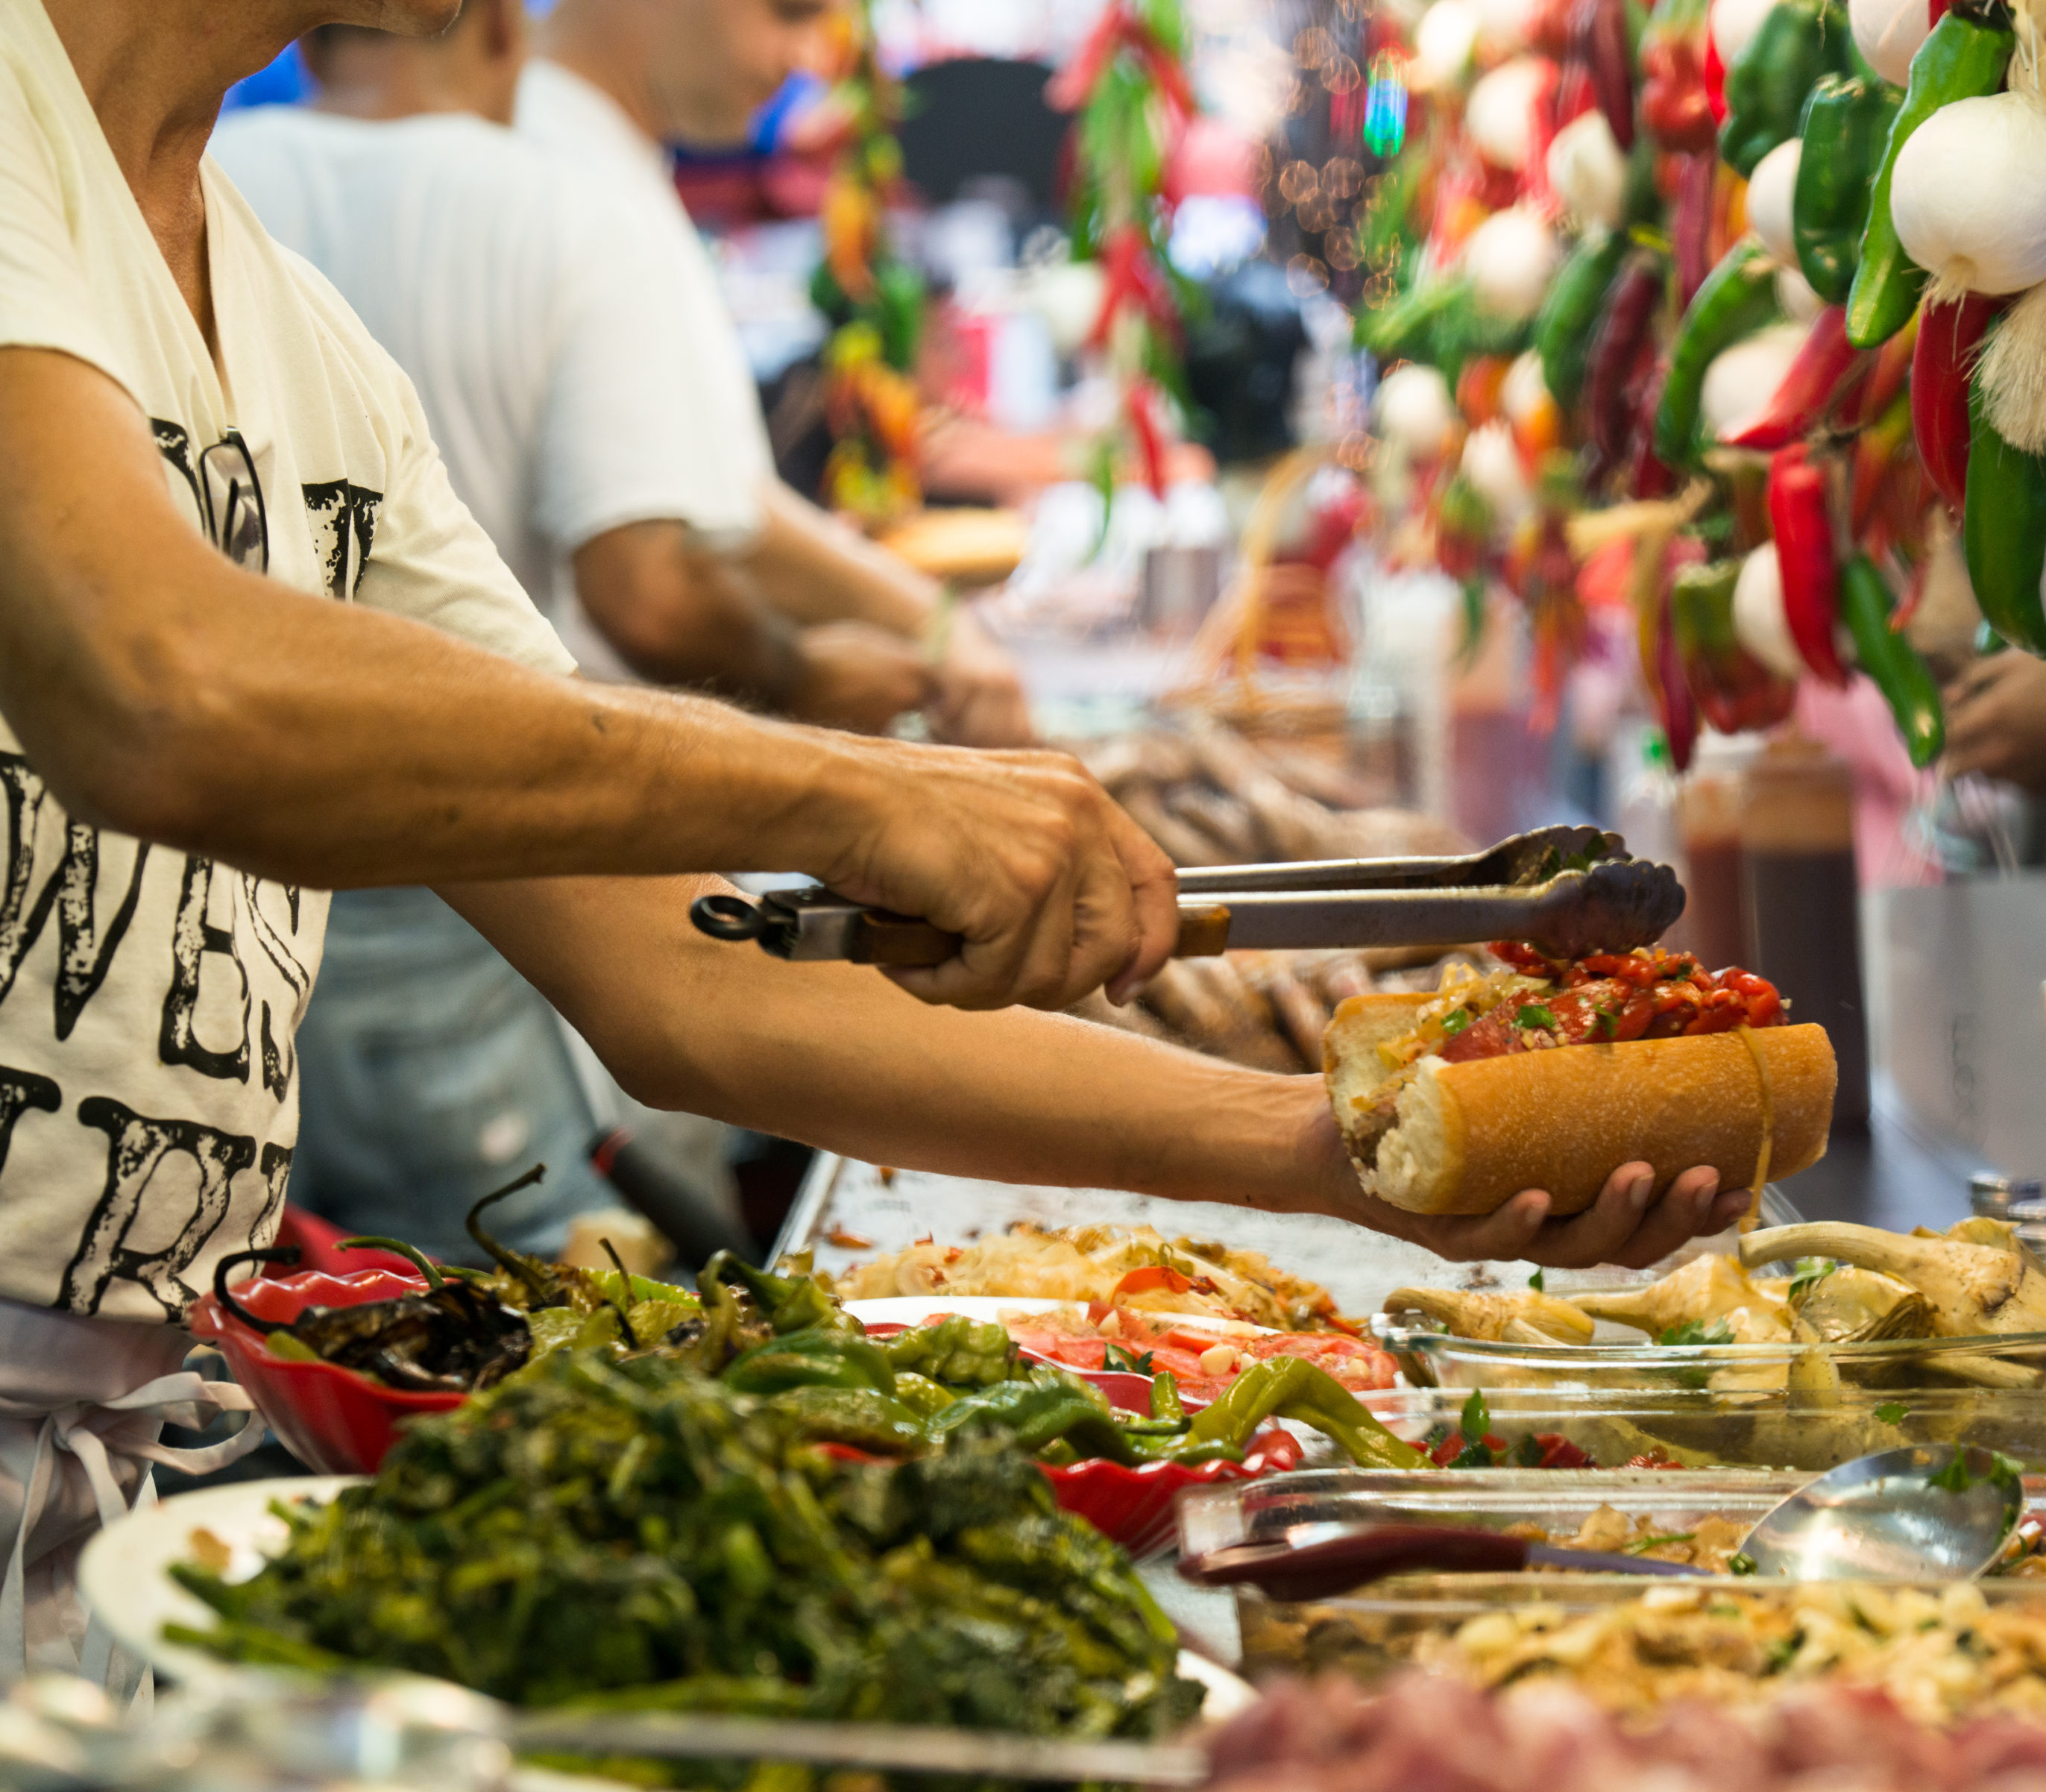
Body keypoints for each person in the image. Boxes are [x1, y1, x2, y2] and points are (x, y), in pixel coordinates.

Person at [0, 0, 1744, 1685]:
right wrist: (843, 788)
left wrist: (1328, 1147)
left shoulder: (300, 343)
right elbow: (160, 686)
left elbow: (690, 970)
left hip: (98, 1480)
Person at [210, 0, 1036, 1260]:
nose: (795, 57)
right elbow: (644, 578)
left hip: (228, 900)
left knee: (280, 1328)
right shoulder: (553, 203)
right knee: (552, 1322)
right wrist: (816, 693)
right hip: (486, 903)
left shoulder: (211, 191)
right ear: (490, 30)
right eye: (788, 11)